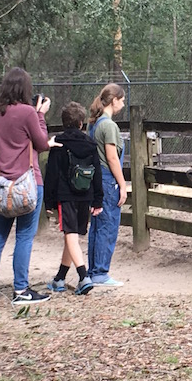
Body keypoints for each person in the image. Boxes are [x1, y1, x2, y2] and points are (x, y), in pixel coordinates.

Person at [0, 67, 53, 306]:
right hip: (27, 184)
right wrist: (40, 114)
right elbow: (41, 143)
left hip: (0, 186)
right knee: (24, 236)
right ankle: (21, 290)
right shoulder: (27, 112)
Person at [44, 102, 104, 295]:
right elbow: (97, 174)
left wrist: (49, 201)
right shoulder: (90, 144)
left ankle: (83, 276)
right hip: (85, 196)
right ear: (81, 123)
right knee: (72, 237)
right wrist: (98, 200)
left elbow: (51, 174)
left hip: (66, 196)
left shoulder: (59, 144)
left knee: (70, 235)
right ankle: (59, 279)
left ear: (64, 123)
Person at [87, 83, 127, 287]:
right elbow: (112, 158)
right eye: (122, 100)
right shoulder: (109, 126)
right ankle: (101, 272)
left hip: (95, 179)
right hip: (107, 180)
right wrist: (122, 184)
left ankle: (93, 270)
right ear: (114, 101)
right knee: (107, 226)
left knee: (96, 225)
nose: (123, 103)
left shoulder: (94, 124)